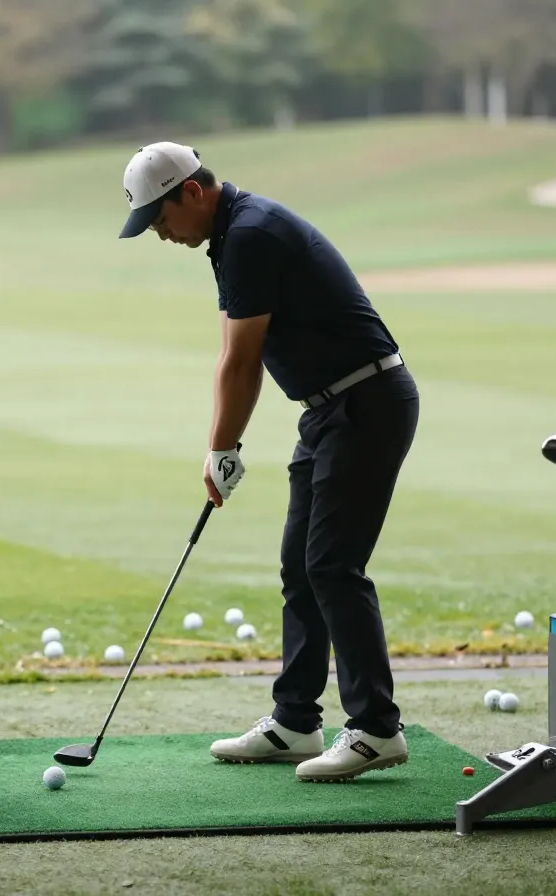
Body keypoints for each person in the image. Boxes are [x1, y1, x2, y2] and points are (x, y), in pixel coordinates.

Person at [118, 142, 420, 782]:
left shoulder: (251, 234)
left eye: (161, 219)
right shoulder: (230, 236)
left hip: (367, 404)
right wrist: (226, 443)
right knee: (300, 565)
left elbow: (241, 360)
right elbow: (239, 349)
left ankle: (376, 729)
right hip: (329, 411)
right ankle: (295, 722)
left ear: (191, 193)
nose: (161, 235)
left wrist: (222, 447)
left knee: (333, 565)